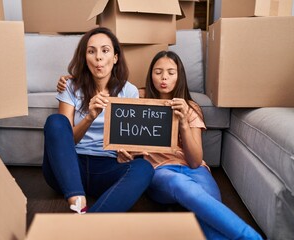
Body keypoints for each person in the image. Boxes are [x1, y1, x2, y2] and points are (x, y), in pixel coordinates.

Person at [57, 50, 263, 239]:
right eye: (158, 72)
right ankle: (251, 237)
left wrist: (182, 123)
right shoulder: (139, 97)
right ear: (151, 75)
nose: (164, 77)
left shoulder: (189, 107)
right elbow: (109, 91)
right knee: (184, 187)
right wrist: (72, 80)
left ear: (179, 76)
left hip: (195, 170)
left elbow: (194, 161)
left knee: (208, 211)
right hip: (159, 171)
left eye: (171, 72)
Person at [43, 27, 154, 213]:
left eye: (105, 50)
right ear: (85, 58)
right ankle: (78, 203)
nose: (99, 57)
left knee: (145, 168)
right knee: (56, 121)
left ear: (116, 57)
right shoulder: (70, 86)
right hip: (69, 167)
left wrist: (127, 151)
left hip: (107, 168)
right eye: (91, 51)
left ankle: (91, 223)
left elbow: (130, 141)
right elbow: (65, 140)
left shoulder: (129, 91)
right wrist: (90, 117)